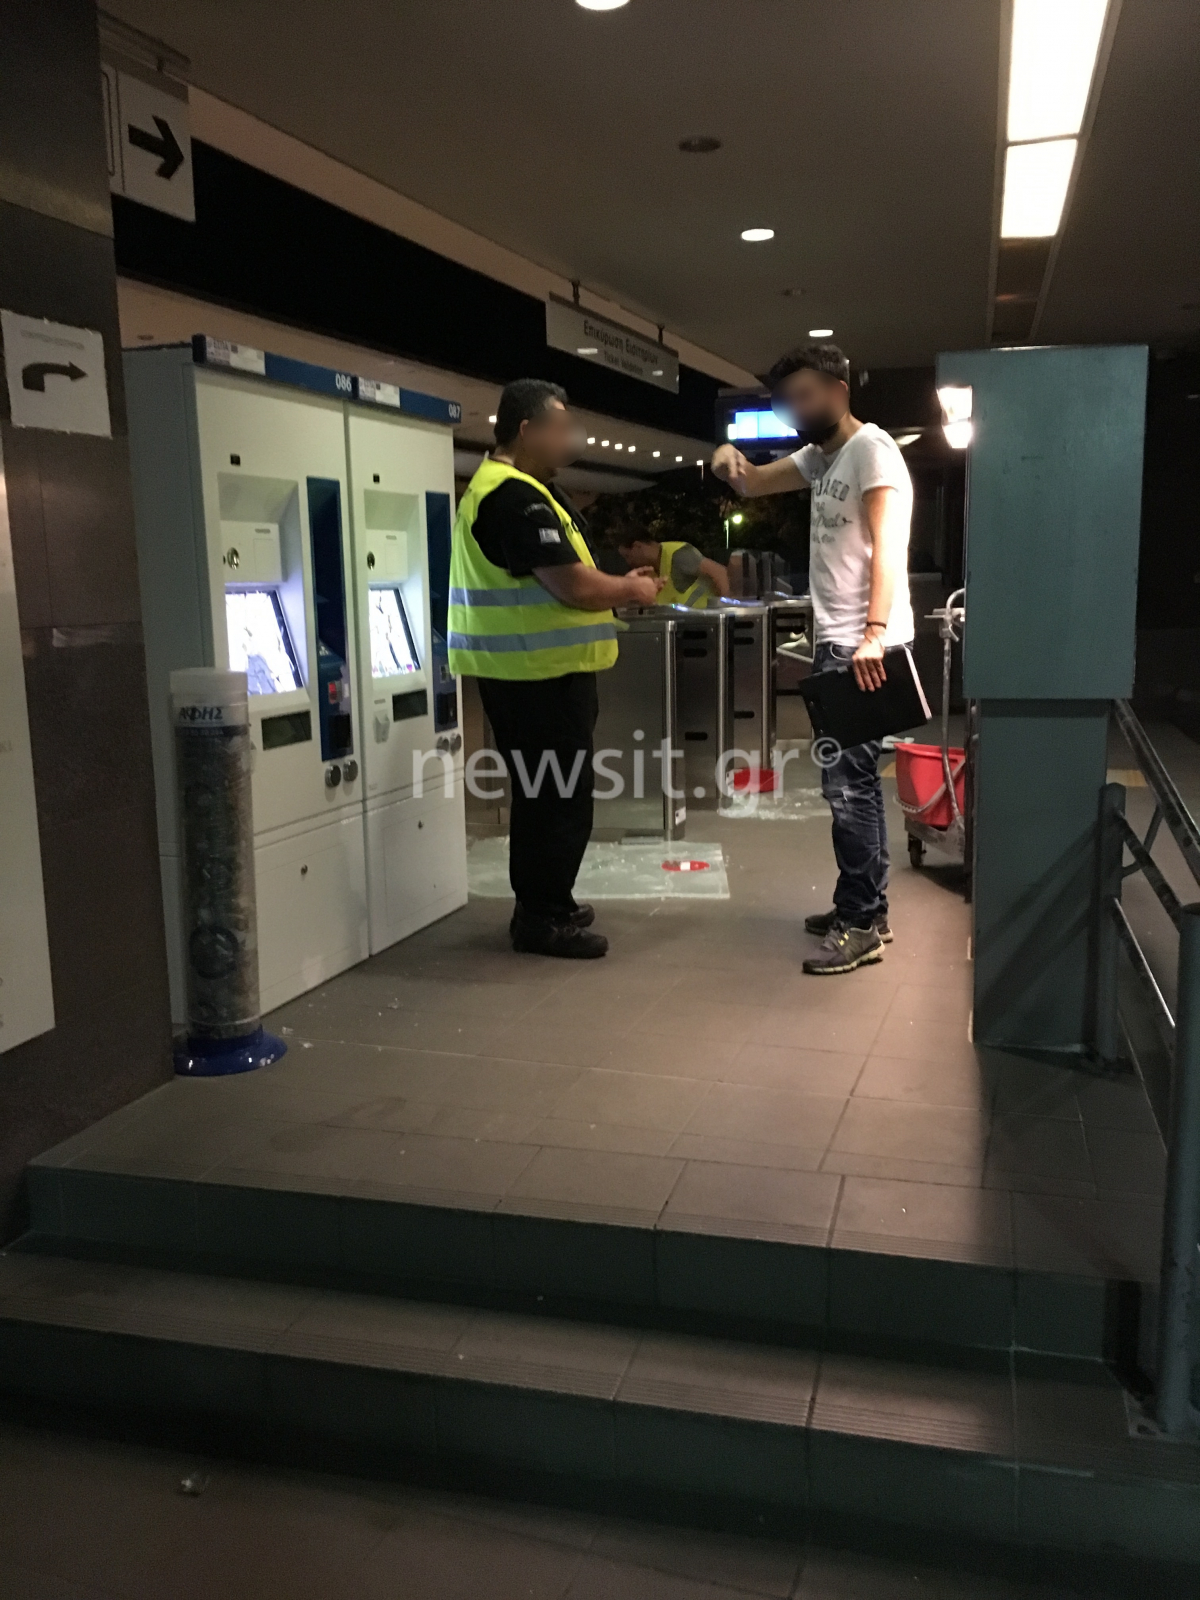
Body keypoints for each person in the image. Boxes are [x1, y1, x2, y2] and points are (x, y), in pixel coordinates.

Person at [711, 343, 913, 976]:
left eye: (806, 395)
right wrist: (727, 456)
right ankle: (864, 906)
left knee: (848, 786)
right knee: (852, 783)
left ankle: (863, 922)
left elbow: (888, 547)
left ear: (839, 390)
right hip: (842, 642)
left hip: (861, 644)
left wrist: (873, 633)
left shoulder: (871, 450)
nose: (796, 408)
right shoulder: (821, 457)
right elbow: (752, 481)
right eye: (786, 400)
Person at [449, 379, 663, 958]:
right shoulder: (512, 497)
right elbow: (570, 584)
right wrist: (630, 589)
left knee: (548, 795)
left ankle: (546, 903)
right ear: (528, 429)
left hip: (536, 671)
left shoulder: (518, 490)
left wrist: (617, 586)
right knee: (556, 798)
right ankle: (543, 918)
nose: (572, 438)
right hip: (534, 675)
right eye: (562, 426)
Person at [616, 535, 730, 607]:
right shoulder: (650, 570)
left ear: (637, 546)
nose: (628, 562)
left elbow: (720, 573)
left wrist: (727, 612)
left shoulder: (679, 554)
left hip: (703, 626)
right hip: (682, 629)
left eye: (628, 556)